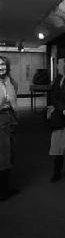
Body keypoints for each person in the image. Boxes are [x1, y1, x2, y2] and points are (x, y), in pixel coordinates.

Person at [0, 55, 19, 200]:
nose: (1, 67)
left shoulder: (10, 81)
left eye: (3, 65)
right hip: (1, 118)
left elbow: (13, 101)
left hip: (8, 117)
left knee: (9, 151)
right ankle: (4, 191)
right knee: (4, 153)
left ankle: (5, 187)